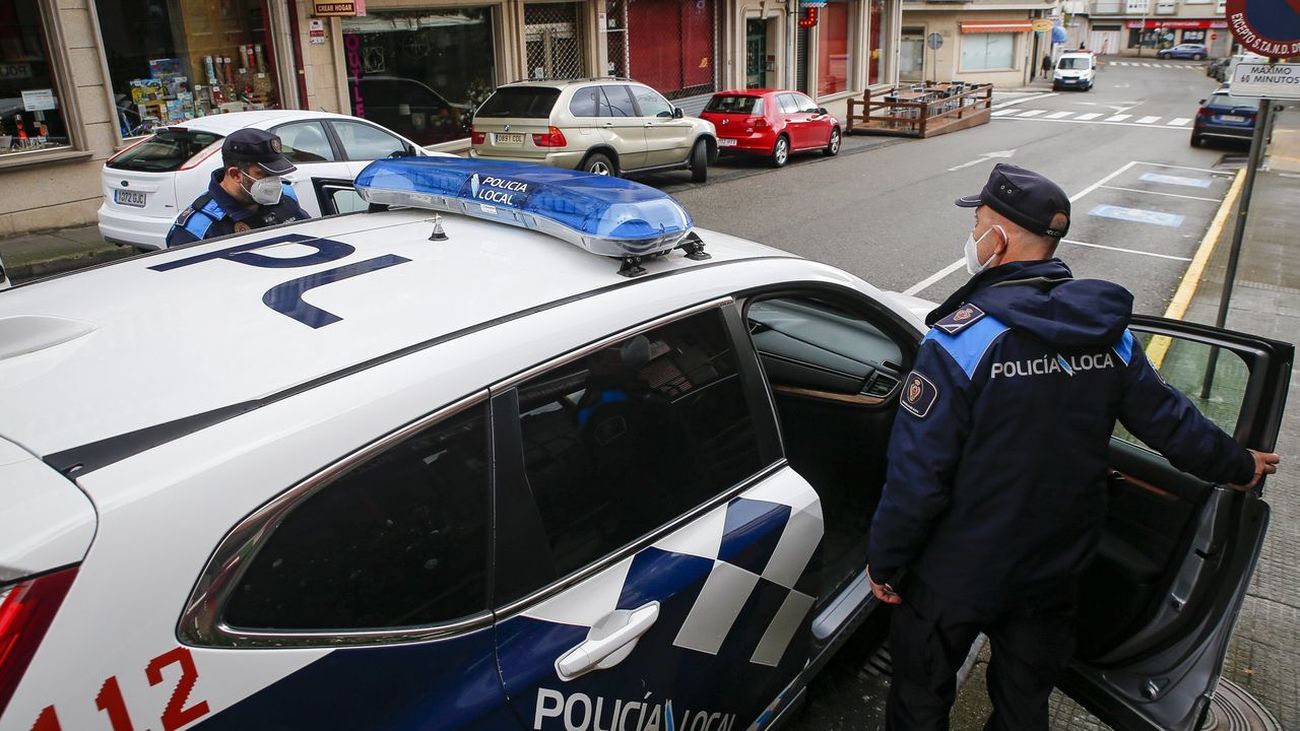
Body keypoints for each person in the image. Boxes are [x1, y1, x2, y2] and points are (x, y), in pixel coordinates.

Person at [866, 163, 1281, 731]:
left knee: (920, 696)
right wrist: (1238, 467)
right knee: (1023, 701)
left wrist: (888, 562)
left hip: (957, 569)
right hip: (1054, 564)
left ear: (999, 238)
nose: (973, 238)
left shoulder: (962, 341)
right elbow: (1170, 423)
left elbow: (918, 477)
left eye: (980, 225)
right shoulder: (1109, 335)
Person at [166, 128, 309, 246]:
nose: (275, 183)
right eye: (264, 175)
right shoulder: (197, 228)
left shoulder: (286, 196)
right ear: (235, 174)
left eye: (276, 175)